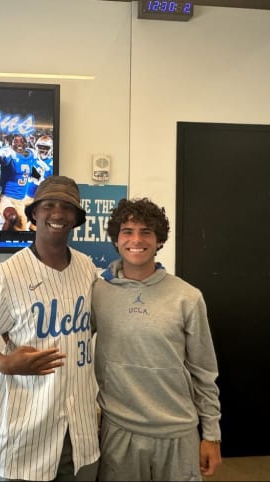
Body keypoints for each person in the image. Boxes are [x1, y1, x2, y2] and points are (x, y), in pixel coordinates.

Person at [0, 175, 100, 482]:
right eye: (49, 205)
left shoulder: (87, 268)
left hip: (80, 428)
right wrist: (5, 363)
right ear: (34, 213)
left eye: (67, 207)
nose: (58, 214)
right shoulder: (6, 275)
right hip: (28, 426)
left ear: (76, 218)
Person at [91, 197, 222, 481]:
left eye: (146, 232)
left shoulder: (187, 297)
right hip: (119, 431)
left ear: (159, 240)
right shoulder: (98, 293)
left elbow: (204, 371)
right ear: (115, 239)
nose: (136, 240)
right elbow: (69, 340)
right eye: (127, 231)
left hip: (177, 432)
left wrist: (211, 434)